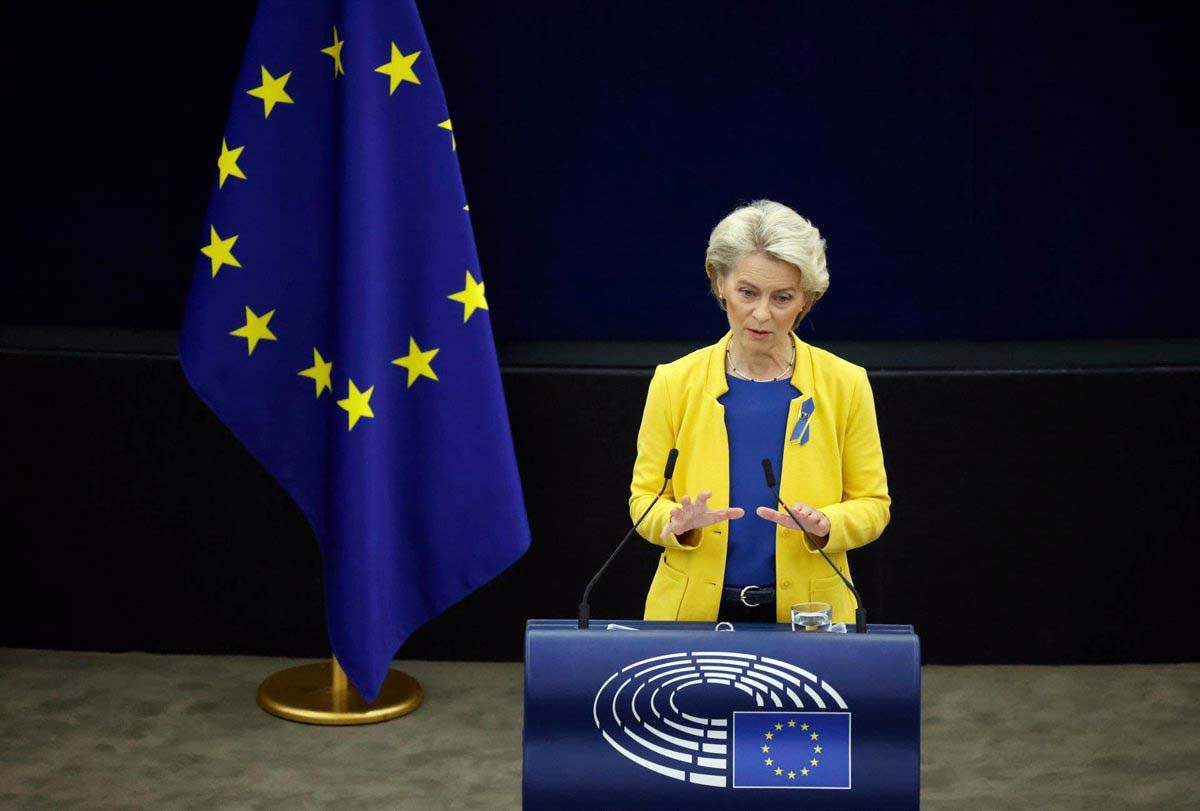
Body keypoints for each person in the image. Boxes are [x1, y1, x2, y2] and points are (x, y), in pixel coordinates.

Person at [629, 200, 890, 625]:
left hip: (810, 614)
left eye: (782, 297)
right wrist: (677, 521)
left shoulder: (845, 383)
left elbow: (873, 505)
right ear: (719, 284)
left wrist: (827, 523)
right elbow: (644, 501)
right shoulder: (674, 381)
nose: (762, 313)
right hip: (691, 614)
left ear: (806, 300)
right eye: (747, 292)